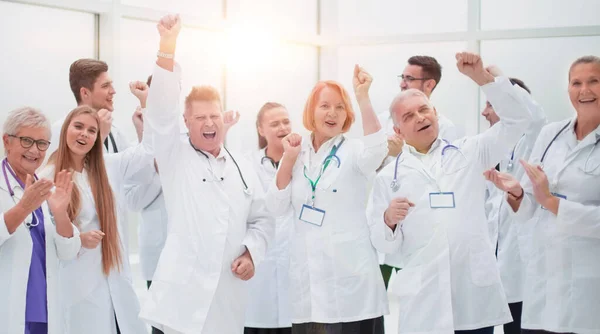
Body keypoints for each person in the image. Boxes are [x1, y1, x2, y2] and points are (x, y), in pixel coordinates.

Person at [367, 52, 535, 334]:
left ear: (435, 112)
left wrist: (482, 79)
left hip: (470, 292)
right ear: (398, 129)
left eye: (424, 110)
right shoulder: (388, 177)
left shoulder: (471, 151)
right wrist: (388, 220)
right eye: (409, 116)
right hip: (423, 298)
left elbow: (518, 120)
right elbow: (382, 245)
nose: (420, 118)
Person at [138, 15, 274, 334]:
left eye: (214, 115)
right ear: (186, 121)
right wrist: (167, 47)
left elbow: (262, 219)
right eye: (200, 117)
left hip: (226, 298)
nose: (209, 123)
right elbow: (160, 113)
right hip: (180, 304)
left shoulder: (241, 164)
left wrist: (252, 253)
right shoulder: (174, 154)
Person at [265, 61, 389, 331]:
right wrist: (288, 158)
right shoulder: (297, 152)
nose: (332, 113)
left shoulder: (355, 151)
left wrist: (363, 97)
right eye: (325, 106)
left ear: (347, 115)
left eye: (340, 107)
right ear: (311, 110)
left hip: (351, 284)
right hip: (307, 286)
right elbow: (275, 206)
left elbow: (378, 150)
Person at [484, 55, 600, 334]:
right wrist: (517, 194)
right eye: (576, 83)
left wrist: (552, 201)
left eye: (593, 81)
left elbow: (547, 200)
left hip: (590, 286)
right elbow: (532, 204)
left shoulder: (539, 126)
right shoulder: (551, 135)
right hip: (544, 280)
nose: (584, 90)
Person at [40, 105, 153, 334]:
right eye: (78, 127)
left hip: (112, 279)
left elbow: (148, 153)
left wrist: (145, 117)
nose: (84, 134)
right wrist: (78, 239)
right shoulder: (47, 177)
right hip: (76, 283)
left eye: (92, 131)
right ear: (65, 130)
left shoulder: (107, 167)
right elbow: (44, 237)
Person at [378, 55, 461, 286]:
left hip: (426, 227)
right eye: (402, 77)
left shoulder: (446, 128)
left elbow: (444, 175)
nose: (402, 83)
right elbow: (373, 164)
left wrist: (398, 154)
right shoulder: (386, 118)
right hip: (390, 217)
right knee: (379, 296)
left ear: (429, 85)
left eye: (409, 78)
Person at [1, 107, 81, 334]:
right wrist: (24, 207)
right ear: (7, 141)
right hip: (8, 307)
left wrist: (60, 213)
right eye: (27, 141)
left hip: (45, 309)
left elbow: (69, 251)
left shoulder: (49, 189)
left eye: (42, 143)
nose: (35, 150)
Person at [480, 73, 547, 334]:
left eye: (490, 104)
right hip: (492, 255)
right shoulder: (488, 146)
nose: (484, 112)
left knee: (518, 327)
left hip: (519, 259)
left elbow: (536, 118)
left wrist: (497, 81)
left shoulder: (532, 140)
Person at [244, 102, 294, 334]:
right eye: (274, 124)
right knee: (258, 322)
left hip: (295, 263)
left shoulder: (303, 161)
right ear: (261, 130)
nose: (282, 128)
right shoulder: (247, 166)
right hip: (260, 266)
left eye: (285, 122)